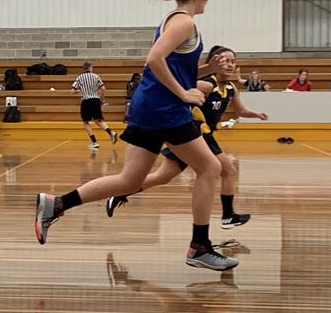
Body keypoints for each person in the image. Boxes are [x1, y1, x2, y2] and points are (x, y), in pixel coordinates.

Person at [34, 0, 236, 271]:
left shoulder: (175, 21)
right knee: (211, 167)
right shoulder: (184, 22)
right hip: (164, 109)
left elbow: (171, 69)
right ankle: (199, 246)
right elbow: (153, 60)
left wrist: (207, 70)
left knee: (130, 181)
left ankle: (56, 204)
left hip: (150, 106)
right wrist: (183, 93)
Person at [106, 45, 268, 230]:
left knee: (162, 176)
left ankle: (121, 192)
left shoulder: (231, 89)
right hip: (195, 132)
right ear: (213, 62)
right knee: (228, 170)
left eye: (233, 61)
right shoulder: (207, 83)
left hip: (188, 139)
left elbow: (241, 111)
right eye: (225, 60)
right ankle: (228, 215)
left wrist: (256, 114)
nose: (230, 65)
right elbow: (179, 85)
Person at [72, 61, 117, 149]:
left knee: (86, 122)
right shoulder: (96, 76)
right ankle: (111, 132)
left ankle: (94, 142)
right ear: (89, 68)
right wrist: (102, 99)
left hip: (86, 101)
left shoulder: (80, 77)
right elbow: (103, 88)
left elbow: (72, 91)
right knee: (98, 120)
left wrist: (79, 91)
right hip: (96, 100)